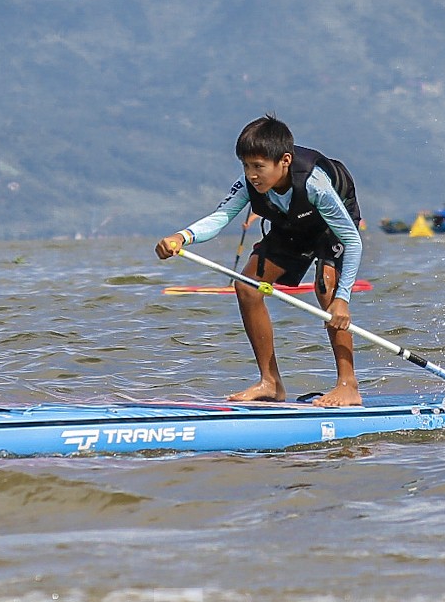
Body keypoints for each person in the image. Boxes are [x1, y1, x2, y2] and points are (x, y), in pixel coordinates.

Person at [155, 114, 364, 407]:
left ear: (285, 161)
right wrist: (182, 237)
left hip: (331, 226)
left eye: (259, 167)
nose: (252, 175)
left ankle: (348, 385)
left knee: (326, 289)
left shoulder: (315, 185)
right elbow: (221, 218)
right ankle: (270, 382)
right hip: (292, 225)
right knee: (248, 287)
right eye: (246, 166)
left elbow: (352, 240)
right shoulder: (249, 184)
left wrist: (343, 299)